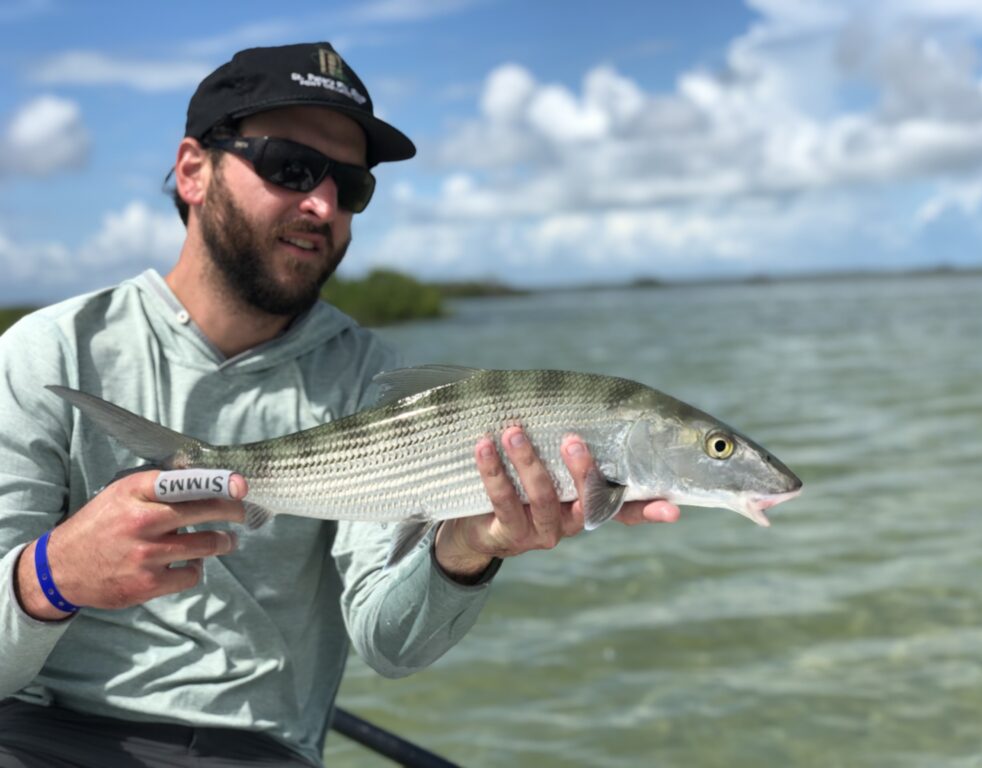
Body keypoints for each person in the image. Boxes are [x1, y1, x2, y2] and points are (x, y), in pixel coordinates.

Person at [0, 42, 679, 767]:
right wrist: (49, 576)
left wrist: (468, 549)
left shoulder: (382, 381)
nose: (322, 204)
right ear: (194, 170)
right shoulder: (45, 354)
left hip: (254, 751)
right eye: (288, 166)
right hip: (36, 735)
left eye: (351, 185)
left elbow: (390, 643)